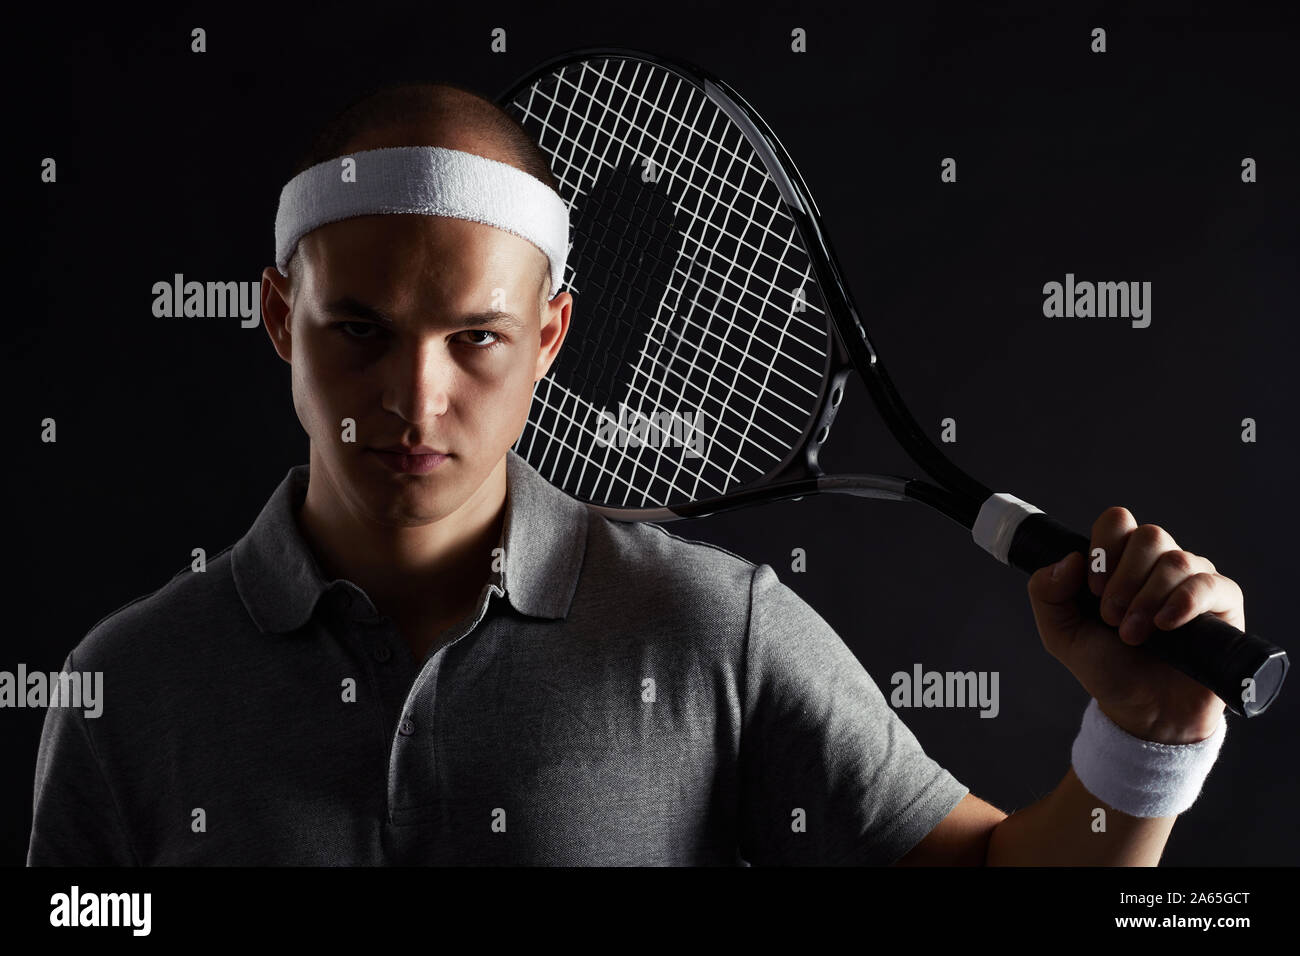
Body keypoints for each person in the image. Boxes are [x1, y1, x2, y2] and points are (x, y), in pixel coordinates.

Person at [26, 81, 1244, 866]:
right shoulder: (124, 682)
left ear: (549, 337)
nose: (414, 397)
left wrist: (1144, 742)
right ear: (279, 319)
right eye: (359, 330)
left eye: (477, 338)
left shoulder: (711, 626)